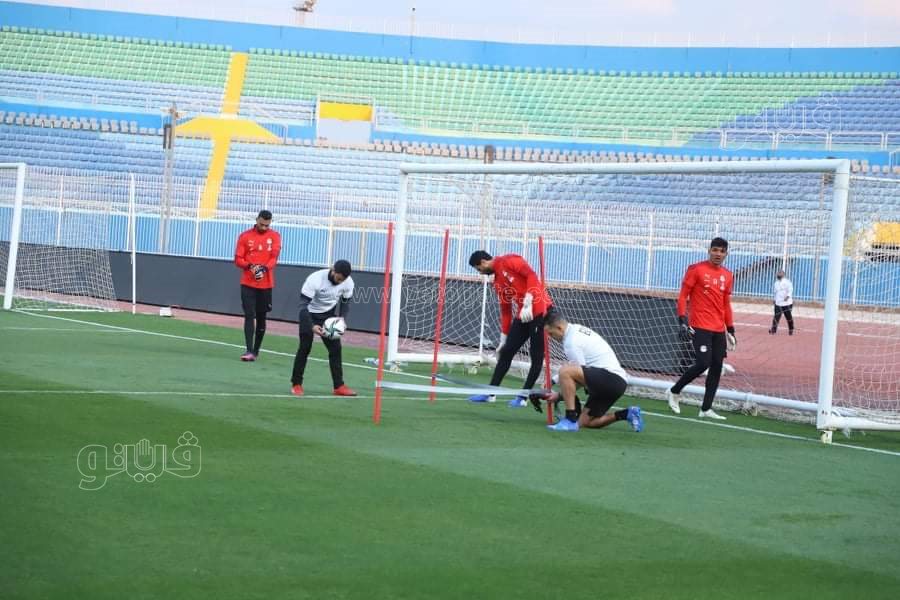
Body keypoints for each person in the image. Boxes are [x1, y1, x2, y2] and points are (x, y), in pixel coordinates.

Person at [467, 250, 553, 407]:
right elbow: (506, 311)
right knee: (506, 352)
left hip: (541, 310)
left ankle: (523, 398)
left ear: (483, 262)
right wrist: (503, 339)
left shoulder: (510, 260)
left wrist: (529, 299)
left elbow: (532, 276)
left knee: (536, 356)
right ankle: (490, 393)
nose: (480, 273)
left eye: (479, 269)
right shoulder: (497, 282)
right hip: (524, 314)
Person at [538, 309, 642, 432]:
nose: (551, 338)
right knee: (585, 422)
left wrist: (559, 395)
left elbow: (574, 376)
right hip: (616, 383)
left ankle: (570, 420)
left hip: (611, 379)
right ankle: (627, 414)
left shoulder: (571, 342)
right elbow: (578, 372)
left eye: (551, 333)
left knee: (565, 371)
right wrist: (552, 382)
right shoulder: (575, 329)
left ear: (559, 328)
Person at [666, 237, 736, 420]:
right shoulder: (696, 269)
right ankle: (674, 391)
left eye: (722, 251)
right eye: (715, 250)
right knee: (703, 363)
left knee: (717, 366)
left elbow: (726, 304)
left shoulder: (728, 275)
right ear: (709, 251)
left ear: (726, 254)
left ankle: (706, 408)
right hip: (699, 325)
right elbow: (683, 296)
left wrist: (730, 329)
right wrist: (682, 320)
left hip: (718, 328)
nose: (718, 254)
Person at [290, 260, 357, 397]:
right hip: (308, 314)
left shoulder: (348, 282)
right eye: (338, 278)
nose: (340, 282)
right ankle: (296, 384)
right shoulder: (315, 279)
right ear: (333, 270)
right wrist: (311, 326)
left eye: (343, 280)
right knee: (305, 347)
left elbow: (345, 302)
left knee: (336, 349)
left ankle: (339, 386)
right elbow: (302, 307)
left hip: (328, 316)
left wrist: (342, 319)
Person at [234, 209, 281, 362]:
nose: (264, 227)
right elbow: (238, 259)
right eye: (261, 224)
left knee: (262, 317)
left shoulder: (275, 236)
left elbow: (274, 258)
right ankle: (248, 350)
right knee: (249, 315)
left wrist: (264, 269)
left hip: (266, 285)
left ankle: (256, 350)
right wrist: (250, 266)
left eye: (267, 225)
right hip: (248, 284)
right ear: (257, 220)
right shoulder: (245, 236)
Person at [770, 270, 795, 335]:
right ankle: (773, 330)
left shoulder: (787, 282)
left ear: (783, 274)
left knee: (788, 317)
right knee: (776, 317)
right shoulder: (776, 283)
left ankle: (791, 329)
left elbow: (790, 290)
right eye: (778, 273)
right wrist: (774, 299)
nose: (778, 274)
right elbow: (775, 292)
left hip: (787, 303)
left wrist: (788, 296)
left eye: (780, 273)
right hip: (778, 303)